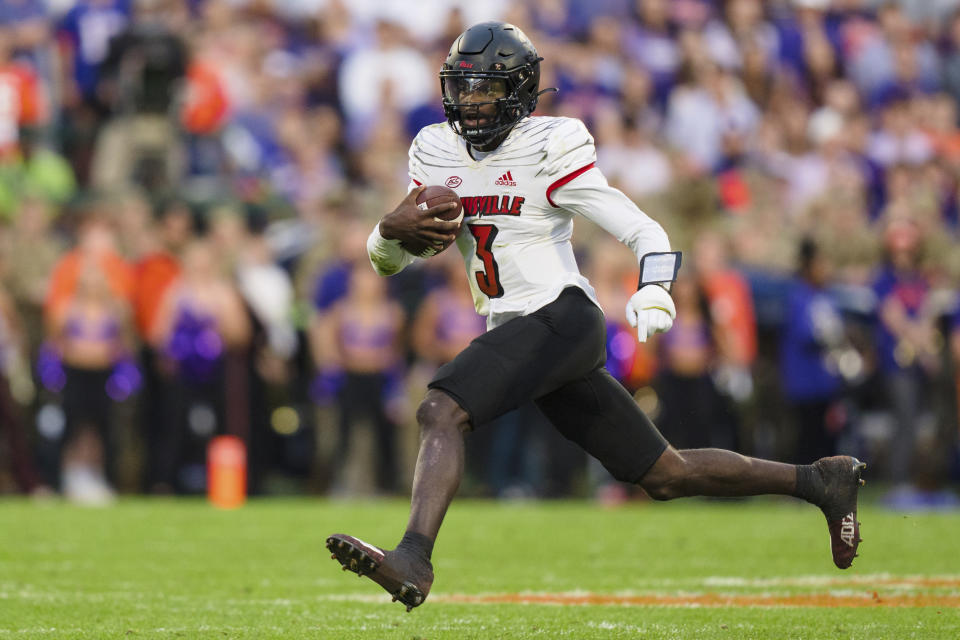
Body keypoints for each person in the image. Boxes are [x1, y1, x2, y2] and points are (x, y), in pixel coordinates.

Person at [327, 22, 866, 612]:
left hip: (563, 317)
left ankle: (413, 557)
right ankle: (819, 479)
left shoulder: (548, 145)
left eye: (486, 88)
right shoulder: (435, 149)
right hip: (518, 331)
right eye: (463, 88)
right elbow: (386, 263)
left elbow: (643, 229)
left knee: (439, 409)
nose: (471, 102)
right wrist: (385, 230)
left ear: (521, 91)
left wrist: (655, 288)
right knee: (666, 474)